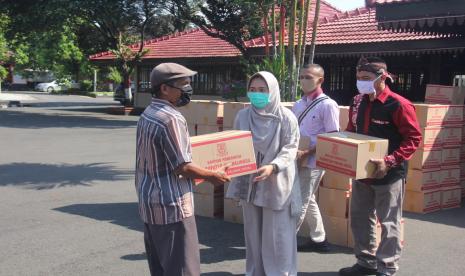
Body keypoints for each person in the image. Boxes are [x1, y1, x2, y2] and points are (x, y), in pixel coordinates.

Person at [135, 63, 230, 276]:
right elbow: (182, 166)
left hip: (150, 203)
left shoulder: (148, 113)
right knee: (182, 269)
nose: (188, 89)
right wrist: (213, 176)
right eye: (183, 84)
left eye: (189, 83)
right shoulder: (171, 118)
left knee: (160, 268)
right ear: (164, 89)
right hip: (172, 207)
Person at [339, 57, 421, 276]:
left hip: (389, 174)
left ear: (382, 77)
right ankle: (366, 261)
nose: (361, 82)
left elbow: (413, 139)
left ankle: (387, 267)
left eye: (366, 78)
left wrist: (389, 161)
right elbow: (351, 130)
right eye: (358, 78)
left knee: (389, 222)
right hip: (362, 172)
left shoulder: (399, 105)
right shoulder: (357, 101)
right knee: (359, 218)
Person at [226, 71, 301, 276]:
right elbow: (235, 145)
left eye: (262, 90)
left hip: (277, 183)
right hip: (250, 182)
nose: (256, 94)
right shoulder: (243, 115)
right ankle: (256, 272)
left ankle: (280, 273)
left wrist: (273, 166)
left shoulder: (286, 118)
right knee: (253, 232)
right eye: (252, 90)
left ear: (272, 91)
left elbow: (290, 148)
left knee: (277, 234)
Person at [292, 63, 340, 252]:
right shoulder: (298, 104)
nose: (304, 81)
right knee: (307, 198)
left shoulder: (328, 105)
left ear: (320, 80)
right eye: (302, 77)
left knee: (299, 202)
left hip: (313, 161)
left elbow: (332, 137)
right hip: (295, 158)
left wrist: (308, 152)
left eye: (308, 77)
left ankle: (284, 241)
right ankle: (319, 239)